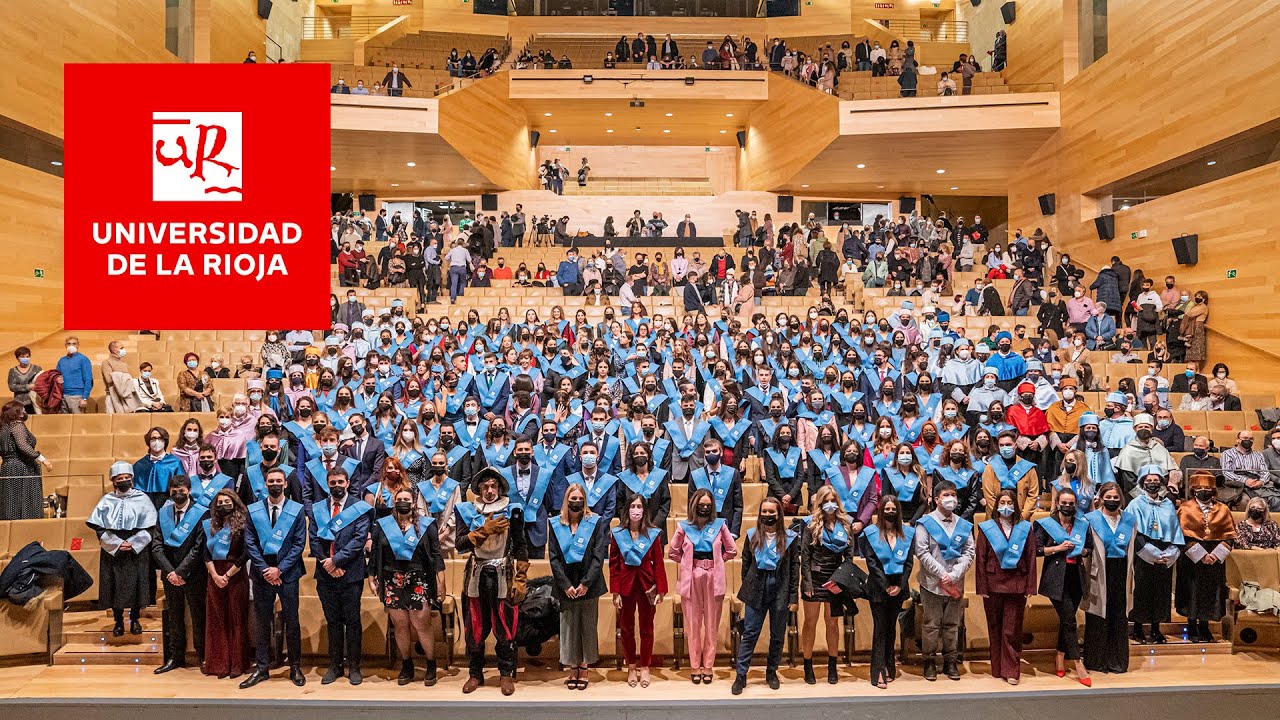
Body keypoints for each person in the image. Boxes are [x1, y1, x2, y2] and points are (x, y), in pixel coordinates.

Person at [455, 467, 528, 696]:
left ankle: (506, 674)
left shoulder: (512, 511)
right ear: (478, 489)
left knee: (504, 628)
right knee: (475, 628)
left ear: (499, 488)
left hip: (503, 574)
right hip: (476, 574)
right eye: (485, 486)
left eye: (493, 486)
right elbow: (460, 545)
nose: (489, 490)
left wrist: (521, 575)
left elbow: (521, 544)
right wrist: (483, 531)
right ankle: (475, 674)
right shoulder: (466, 511)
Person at [239, 467, 307, 688]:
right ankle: (262, 668)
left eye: (279, 481)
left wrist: (280, 569)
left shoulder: (296, 510)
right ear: (265, 485)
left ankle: (295, 666)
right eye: (271, 481)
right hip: (262, 575)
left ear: (285, 484)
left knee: (292, 622)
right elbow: (249, 542)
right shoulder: (254, 510)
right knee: (262, 622)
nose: (275, 484)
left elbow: (298, 544)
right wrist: (265, 570)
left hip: (288, 574)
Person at [370, 486, 444, 685]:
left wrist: (440, 581)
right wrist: (371, 577)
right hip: (392, 580)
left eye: (407, 499)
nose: (403, 502)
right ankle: (406, 664)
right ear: (394, 502)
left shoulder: (427, 525)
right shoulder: (382, 525)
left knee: (422, 624)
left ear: (413, 503)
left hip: (419, 579)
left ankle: (430, 663)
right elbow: (376, 552)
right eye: (399, 499)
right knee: (401, 626)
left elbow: (436, 554)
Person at [308, 467, 372, 685]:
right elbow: (314, 539)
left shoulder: (359, 508)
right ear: (328, 484)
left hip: (350, 573)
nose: (336, 485)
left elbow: (359, 539)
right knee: (333, 621)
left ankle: (354, 667)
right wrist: (328, 563)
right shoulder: (319, 509)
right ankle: (334, 666)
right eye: (332, 482)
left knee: (352, 621)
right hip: (326, 574)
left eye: (340, 482)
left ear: (347, 483)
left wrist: (337, 561)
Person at [731, 496, 799, 695]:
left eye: (772, 512)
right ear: (760, 513)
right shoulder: (752, 535)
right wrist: (749, 587)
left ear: (779, 514)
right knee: (750, 633)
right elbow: (745, 564)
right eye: (765, 511)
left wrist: (793, 597)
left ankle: (771, 672)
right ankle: (741, 675)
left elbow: (795, 567)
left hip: (780, 589)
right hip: (756, 588)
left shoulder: (789, 538)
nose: (768, 515)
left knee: (777, 635)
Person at [669, 488, 737, 685]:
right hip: (692, 576)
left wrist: (718, 561)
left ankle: (708, 665)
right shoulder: (684, 527)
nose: (704, 508)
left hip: (713, 576)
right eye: (701, 505)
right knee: (693, 623)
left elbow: (732, 550)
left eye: (708, 505)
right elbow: (673, 552)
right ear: (694, 506)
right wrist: (687, 563)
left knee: (711, 625)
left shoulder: (720, 525)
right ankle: (695, 665)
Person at [549, 483, 609, 690]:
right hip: (566, 583)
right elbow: (554, 557)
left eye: (579, 498)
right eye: (572, 499)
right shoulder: (557, 524)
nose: (576, 502)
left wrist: (586, 583)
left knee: (587, 626)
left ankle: (583, 668)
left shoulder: (595, 522)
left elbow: (598, 555)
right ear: (566, 501)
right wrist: (565, 585)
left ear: (585, 500)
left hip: (589, 583)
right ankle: (572, 667)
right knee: (568, 626)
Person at [913, 479, 974, 681]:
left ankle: (950, 661)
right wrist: (942, 574)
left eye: (953, 495)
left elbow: (969, 552)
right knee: (931, 624)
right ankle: (929, 661)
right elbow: (922, 552)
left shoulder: (964, 525)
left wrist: (954, 575)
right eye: (946, 495)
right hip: (932, 583)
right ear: (936, 499)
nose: (951, 499)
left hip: (955, 583)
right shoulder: (925, 523)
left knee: (951, 624)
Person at [87, 462, 158, 637]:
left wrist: (134, 542)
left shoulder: (142, 498)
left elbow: (150, 527)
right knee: (115, 585)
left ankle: (135, 619)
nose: (124, 481)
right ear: (114, 481)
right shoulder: (106, 500)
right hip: (113, 550)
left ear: (132, 480)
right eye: (120, 479)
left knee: (137, 585)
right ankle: (118, 621)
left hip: (136, 549)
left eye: (127, 478)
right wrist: (117, 543)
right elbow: (99, 527)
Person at [974, 488, 1037, 685]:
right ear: (996, 506)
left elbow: (1031, 557)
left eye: (1009, 503)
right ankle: (997, 668)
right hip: (992, 585)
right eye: (1002, 503)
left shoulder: (1025, 528)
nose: (1006, 507)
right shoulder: (987, 528)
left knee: (1012, 630)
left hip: (1016, 584)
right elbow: (981, 559)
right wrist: (982, 588)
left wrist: (1029, 587)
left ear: (1015, 506)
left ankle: (1011, 670)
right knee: (995, 628)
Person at [151, 474, 208, 673]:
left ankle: (203, 656)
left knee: (198, 616)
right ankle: (176, 657)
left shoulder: (201, 513)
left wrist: (181, 571)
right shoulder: (163, 512)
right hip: (170, 575)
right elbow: (157, 546)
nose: (178, 495)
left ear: (189, 491)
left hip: (194, 574)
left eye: (181, 491)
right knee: (175, 617)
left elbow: (199, 547)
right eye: (174, 492)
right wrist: (170, 571)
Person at [799, 486, 856, 685]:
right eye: (825, 501)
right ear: (820, 503)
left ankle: (833, 665)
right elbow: (805, 556)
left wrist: (841, 579)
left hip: (836, 577)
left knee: (832, 623)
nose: (829, 504)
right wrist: (806, 581)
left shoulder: (846, 523)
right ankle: (808, 664)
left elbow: (849, 557)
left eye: (833, 500)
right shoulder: (810, 524)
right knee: (810, 622)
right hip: (814, 578)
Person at [1035, 488, 1092, 686]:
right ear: (1057, 503)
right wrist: (1057, 549)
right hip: (1056, 578)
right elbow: (1037, 549)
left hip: (1076, 576)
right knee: (1069, 620)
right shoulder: (1046, 524)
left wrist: (1083, 550)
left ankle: (1059, 656)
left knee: (1066, 620)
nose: (1067, 506)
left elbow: (1089, 547)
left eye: (1071, 503)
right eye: (1064, 503)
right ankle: (1078, 664)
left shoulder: (1082, 524)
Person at [610, 493, 667, 688]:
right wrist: (615, 592)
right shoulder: (618, 534)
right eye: (632, 506)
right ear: (627, 510)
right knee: (626, 629)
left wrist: (661, 589)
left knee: (646, 628)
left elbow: (658, 562)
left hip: (646, 586)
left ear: (644, 510)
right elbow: (614, 565)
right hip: (625, 586)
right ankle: (631, 666)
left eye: (639, 507)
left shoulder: (651, 534)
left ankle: (645, 667)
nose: (636, 510)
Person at [858, 494, 913, 688]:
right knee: (880, 630)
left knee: (891, 628)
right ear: (880, 511)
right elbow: (872, 563)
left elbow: (908, 563)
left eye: (893, 509)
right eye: (887, 509)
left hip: (899, 587)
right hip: (878, 590)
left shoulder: (907, 533)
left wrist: (899, 585)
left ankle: (890, 665)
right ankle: (878, 672)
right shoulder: (872, 533)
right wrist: (886, 586)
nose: (890, 512)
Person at [1128, 464, 1184, 644]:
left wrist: (1170, 552)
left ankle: (1156, 628)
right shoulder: (1135, 504)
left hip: (1165, 552)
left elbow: (1175, 531)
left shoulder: (1168, 504)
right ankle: (1137, 627)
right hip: (1143, 551)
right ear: (1142, 483)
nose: (1152, 483)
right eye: (1149, 480)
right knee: (1142, 590)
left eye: (1156, 480)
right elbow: (1134, 532)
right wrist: (1151, 553)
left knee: (1162, 591)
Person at [1176, 471, 1234, 642]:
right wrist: (1201, 555)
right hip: (1192, 557)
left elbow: (1230, 537)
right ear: (1194, 490)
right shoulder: (1185, 508)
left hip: (1215, 558)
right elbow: (1182, 536)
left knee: (1211, 592)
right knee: (1192, 591)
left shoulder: (1223, 509)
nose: (1204, 491)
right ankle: (1192, 626)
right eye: (1200, 488)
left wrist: (1215, 555)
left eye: (1208, 488)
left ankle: (1205, 626)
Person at [202, 488, 251, 679]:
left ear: (235, 502)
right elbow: (205, 553)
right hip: (214, 574)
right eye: (220, 502)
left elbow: (245, 553)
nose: (223, 505)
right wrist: (215, 575)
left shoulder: (243, 524)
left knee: (237, 619)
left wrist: (228, 575)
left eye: (227, 501)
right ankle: (219, 664)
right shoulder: (209, 525)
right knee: (217, 620)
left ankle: (237, 664)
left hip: (235, 574)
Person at [0, 401, 51, 520]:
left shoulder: (3, 428)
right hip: (21, 467)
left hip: (7, 467)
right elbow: (23, 446)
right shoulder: (17, 425)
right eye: (22, 409)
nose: (25, 412)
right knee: (25, 503)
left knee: (10, 502)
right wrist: (43, 460)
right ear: (17, 412)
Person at [56, 335, 93, 413]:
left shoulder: (83, 359)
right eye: (69, 344)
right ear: (65, 345)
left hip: (77, 396)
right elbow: (56, 375)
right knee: (65, 422)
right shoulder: (61, 360)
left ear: (78, 345)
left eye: (74, 344)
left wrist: (84, 398)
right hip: (63, 396)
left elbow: (88, 379)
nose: (71, 346)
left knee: (78, 423)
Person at [7, 346, 42, 414]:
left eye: (27, 356)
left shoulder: (37, 369)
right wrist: (28, 387)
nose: (25, 359)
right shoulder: (13, 371)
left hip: (34, 402)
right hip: (19, 403)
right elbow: (12, 387)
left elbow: (42, 383)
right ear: (17, 358)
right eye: (22, 357)